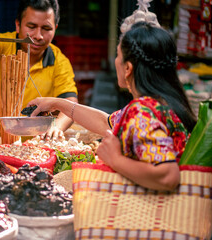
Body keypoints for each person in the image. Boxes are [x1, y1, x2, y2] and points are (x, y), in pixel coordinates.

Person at [27, 21, 197, 191]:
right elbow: (105, 122)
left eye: (117, 55)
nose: (115, 61)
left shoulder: (143, 111)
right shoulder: (166, 103)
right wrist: (57, 103)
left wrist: (115, 159)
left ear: (128, 68)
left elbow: (168, 176)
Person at [0, 0, 78, 140]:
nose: (38, 36)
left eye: (46, 28)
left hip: (30, 143)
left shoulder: (59, 62)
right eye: (31, 26)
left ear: (55, 28)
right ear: (18, 25)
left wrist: (56, 127)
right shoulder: (5, 44)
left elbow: (70, 103)